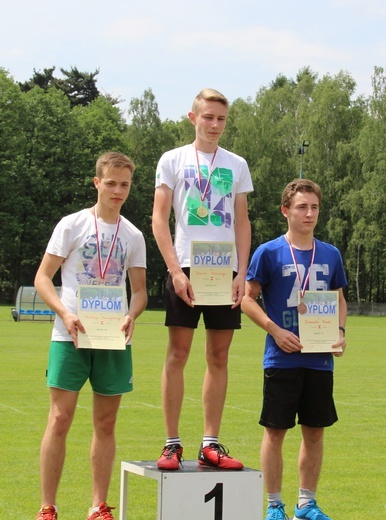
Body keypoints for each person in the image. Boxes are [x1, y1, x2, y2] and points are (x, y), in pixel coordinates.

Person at [34, 152, 147, 520]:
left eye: (125, 184)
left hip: (113, 338)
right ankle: (47, 506)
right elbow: (42, 278)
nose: (118, 190)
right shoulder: (72, 225)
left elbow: (141, 291)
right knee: (60, 418)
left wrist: (132, 314)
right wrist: (65, 313)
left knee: (106, 423)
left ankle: (98, 506)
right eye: (111, 183)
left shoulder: (133, 235)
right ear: (97, 183)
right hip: (71, 334)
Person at [152, 88, 253, 471]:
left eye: (221, 119)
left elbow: (241, 221)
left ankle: (210, 443)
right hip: (187, 269)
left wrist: (242, 272)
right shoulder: (173, 159)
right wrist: (175, 270)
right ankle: (172, 443)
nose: (214, 125)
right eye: (207, 117)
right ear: (193, 118)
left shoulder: (236, 164)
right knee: (178, 354)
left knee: (219, 355)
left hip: (224, 269)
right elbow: (159, 218)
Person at [241, 179, 347, 520]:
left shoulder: (330, 253)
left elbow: (340, 299)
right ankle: (274, 504)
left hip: (319, 360)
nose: (309, 213)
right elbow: (247, 299)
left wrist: (341, 332)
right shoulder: (268, 252)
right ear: (285, 210)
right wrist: (275, 330)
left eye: (314, 207)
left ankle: (306, 503)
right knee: (275, 433)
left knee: (315, 432)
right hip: (281, 357)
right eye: (302, 207)